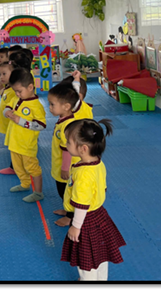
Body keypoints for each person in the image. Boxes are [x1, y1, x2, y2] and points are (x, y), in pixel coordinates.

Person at [61, 118, 125, 281]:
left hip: (86, 221)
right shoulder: (97, 163)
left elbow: (82, 204)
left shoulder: (83, 174)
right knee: (100, 256)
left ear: (83, 148)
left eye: (68, 142)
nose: (66, 145)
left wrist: (76, 226)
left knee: (86, 262)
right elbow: (102, 188)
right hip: (100, 216)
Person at [3, 67, 47, 202]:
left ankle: (38, 193)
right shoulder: (17, 99)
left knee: (32, 168)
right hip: (14, 142)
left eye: (19, 91)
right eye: (15, 91)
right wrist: (7, 112)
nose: (17, 94)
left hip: (26, 145)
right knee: (18, 167)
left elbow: (41, 125)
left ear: (30, 87)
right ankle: (25, 184)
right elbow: (8, 106)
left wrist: (21, 121)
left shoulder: (36, 106)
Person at [47, 82, 81, 227]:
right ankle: (68, 210)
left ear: (66, 106)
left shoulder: (67, 125)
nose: (49, 107)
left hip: (67, 167)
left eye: (52, 104)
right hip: (60, 164)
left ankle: (71, 216)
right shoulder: (63, 120)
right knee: (63, 191)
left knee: (67, 192)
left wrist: (65, 168)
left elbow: (67, 150)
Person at [0, 62, 17, 175]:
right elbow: (4, 98)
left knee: (14, 147)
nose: (1, 77)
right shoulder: (8, 88)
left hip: (12, 124)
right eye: (0, 74)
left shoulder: (14, 90)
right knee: (12, 146)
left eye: (4, 74)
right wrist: (0, 88)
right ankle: (16, 166)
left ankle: (15, 167)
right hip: (8, 124)